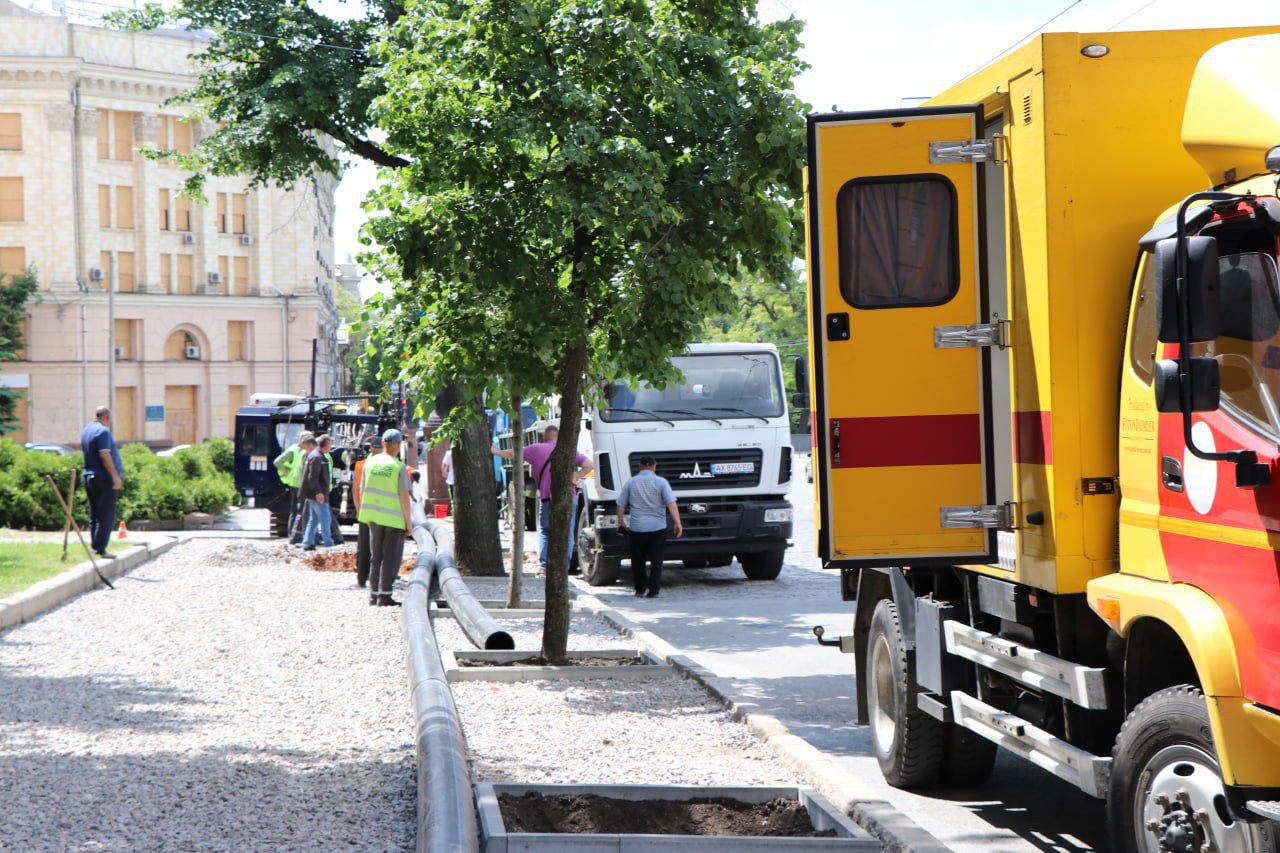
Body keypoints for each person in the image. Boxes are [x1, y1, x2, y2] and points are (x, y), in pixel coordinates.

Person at [492, 424, 594, 573]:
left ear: (544, 436)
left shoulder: (535, 449)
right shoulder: (568, 450)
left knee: (546, 531)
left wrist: (496, 452)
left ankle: (544, 566)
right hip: (568, 498)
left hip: (547, 497)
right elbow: (590, 465)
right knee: (567, 532)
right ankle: (563, 566)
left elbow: (512, 453)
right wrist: (576, 476)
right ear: (558, 436)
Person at [358, 429, 413, 606]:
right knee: (390, 557)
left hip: (373, 517)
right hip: (393, 519)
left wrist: (363, 512)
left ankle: (373, 594)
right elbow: (404, 497)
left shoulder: (370, 464)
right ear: (398, 446)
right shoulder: (398, 467)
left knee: (375, 557)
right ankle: (385, 595)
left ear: (383, 444)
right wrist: (409, 523)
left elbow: (362, 490)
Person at [616, 455, 682, 597]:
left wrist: (620, 522)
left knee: (637, 560)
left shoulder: (631, 483)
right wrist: (677, 523)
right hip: (657, 528)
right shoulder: (661, 482)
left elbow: (621, 504)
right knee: (656, 560)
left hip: (637, 528)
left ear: (640, 467)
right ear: (654, 467)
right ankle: (654, 591)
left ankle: (640, 589)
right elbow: (671, 503)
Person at [80, 406, 123, 559]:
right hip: (103, 478)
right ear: (107, 418)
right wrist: (115, 476)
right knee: (106, 514)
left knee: (95, 513)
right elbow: (104, 454)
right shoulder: (103, 431)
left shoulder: (87, 430)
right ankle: (100, 548)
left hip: (89, 475)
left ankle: (95, 546)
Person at [275, 431, 314, 543]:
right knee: (297, 511)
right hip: (296, 484)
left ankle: (294, 534)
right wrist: (284, 470)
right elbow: (278, 462)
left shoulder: (301, 451)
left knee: (297, 510)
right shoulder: (294, 451)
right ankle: (293, 534)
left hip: (297, 483)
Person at [299, 434, 335, 551]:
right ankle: (329, 543)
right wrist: (318, 492)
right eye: (330, 444)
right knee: (325, 517)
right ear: (325, 444)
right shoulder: (317, 457)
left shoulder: (316, 455)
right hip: (316, 494)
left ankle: (308, 542)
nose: (331, 446)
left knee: (314, 519)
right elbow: (312, 477)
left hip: (313, 493)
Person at [352, 438, 373, 588]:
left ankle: (362, 578)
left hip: (365, 512)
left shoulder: (360, 465)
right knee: (380, 549)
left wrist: (359, 509)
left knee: (364, 547)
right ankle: (378, 581)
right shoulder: (392, 465)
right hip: (386, 514)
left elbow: (355, 490)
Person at [440, 447, 454, 512]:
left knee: (453, 498)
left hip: (452, 479)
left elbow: (443, 465)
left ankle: (453, 510)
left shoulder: (449, 453)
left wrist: (444, 472)